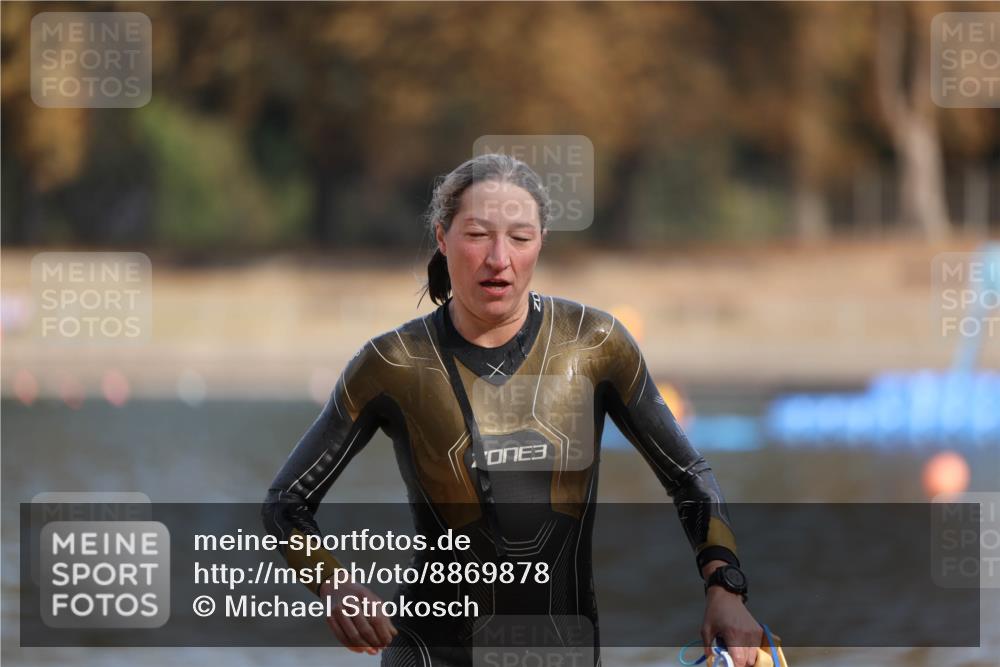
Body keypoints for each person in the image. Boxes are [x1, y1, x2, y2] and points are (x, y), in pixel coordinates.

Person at [260, 153, 763, 666]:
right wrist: (332, 582)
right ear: (442, 237)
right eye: (477, 235)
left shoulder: (595, 345)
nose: (498, 257)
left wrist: (725, 586)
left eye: (519, 238)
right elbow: (286, 503)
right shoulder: (391, 363)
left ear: (541, 241)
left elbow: (688, 476)